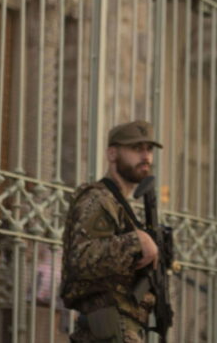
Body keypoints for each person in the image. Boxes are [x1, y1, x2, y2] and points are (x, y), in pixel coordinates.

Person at [61, 120, 162, 343]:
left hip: (124, 327)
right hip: (109, 324)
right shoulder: (97, 198)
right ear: (112, 153)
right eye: (136, 149)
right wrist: (136, 242)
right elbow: (80, 258)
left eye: (149, 149)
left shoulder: (121, 206)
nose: (145, 156)